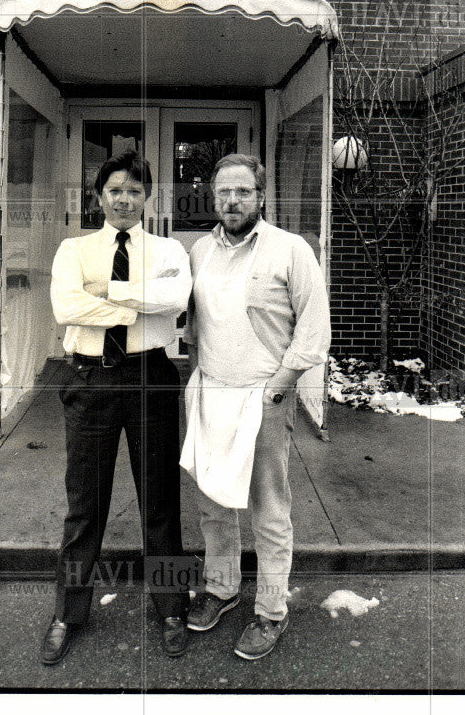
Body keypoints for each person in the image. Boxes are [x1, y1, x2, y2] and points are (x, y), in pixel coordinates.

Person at [41, 151, 192, 664]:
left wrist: (108, 291)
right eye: (115, 190)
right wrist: (137, 301)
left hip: (151, 376)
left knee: (161, 501)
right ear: (98, 197)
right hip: (91, 379)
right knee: (85, 505)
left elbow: (175, 301)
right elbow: (67, 307)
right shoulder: (73, 249)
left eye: (134, 190)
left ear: (148, 197)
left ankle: (172, 607)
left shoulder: (170, 248)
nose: (125, 199)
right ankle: (67, 613)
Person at [180, 153, 330, 661]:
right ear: (213, 196)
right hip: (211, 392)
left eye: (243, 191)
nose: (232, 200)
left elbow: (313, 331)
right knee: (214, 507)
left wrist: (278, 389)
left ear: (261, 196)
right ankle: (222, 591)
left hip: (265, 396)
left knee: (268, 509)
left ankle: (270, 612)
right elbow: (196, 325)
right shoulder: (200, 250)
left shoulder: (290, 250)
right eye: (223, 191)